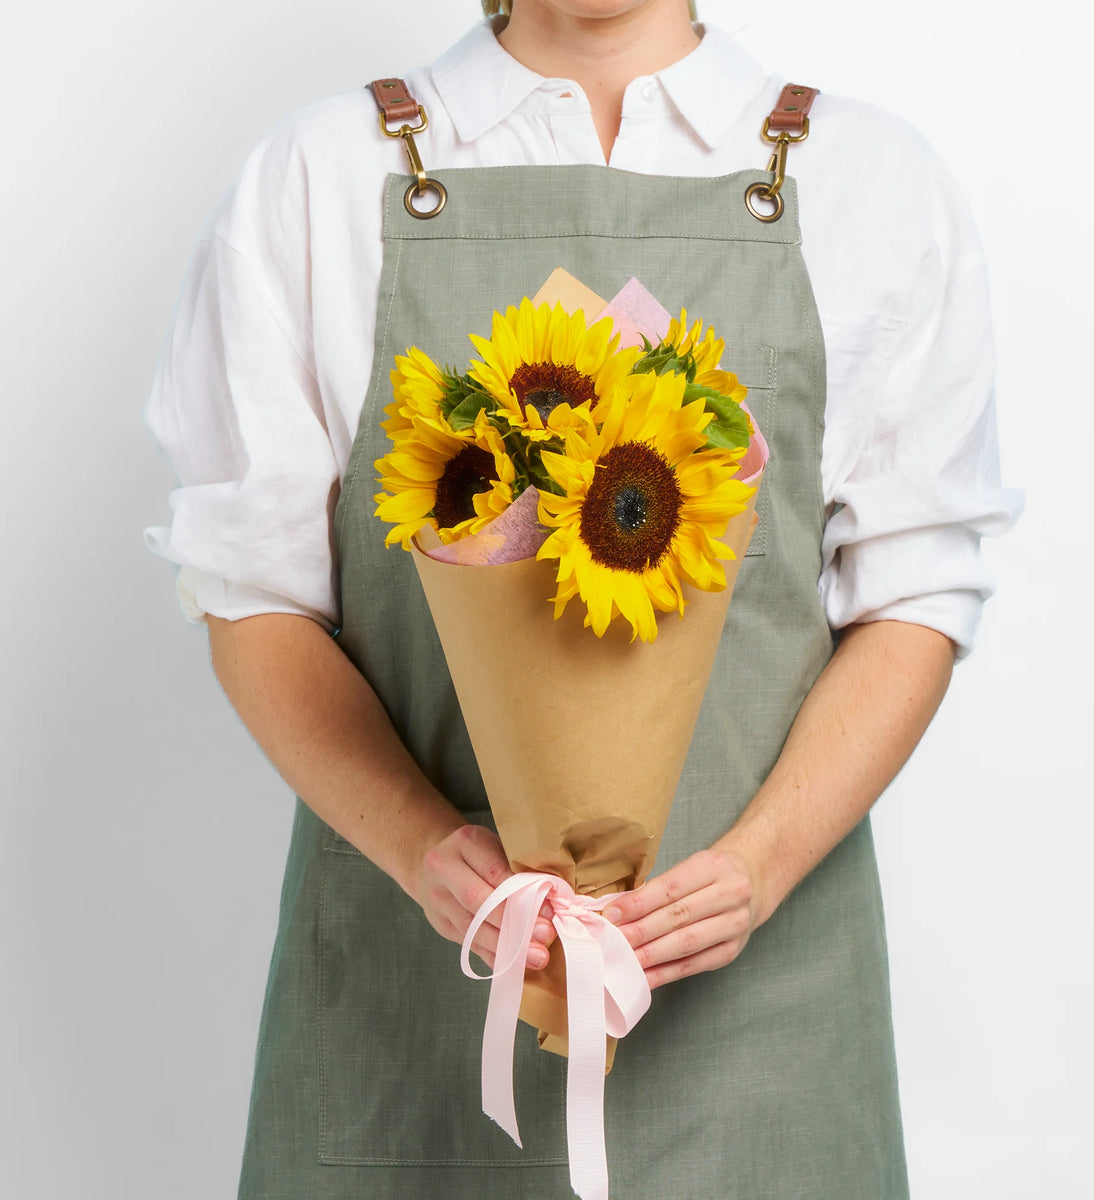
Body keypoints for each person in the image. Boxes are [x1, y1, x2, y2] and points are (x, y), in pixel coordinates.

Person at [144, 1, 1020, 1196]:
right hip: (418, 1010)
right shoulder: (318, 179)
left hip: (758, 1020)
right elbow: (255, 599)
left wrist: (757, 868)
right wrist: (421, 850)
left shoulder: (875, 182)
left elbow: (913, 598)